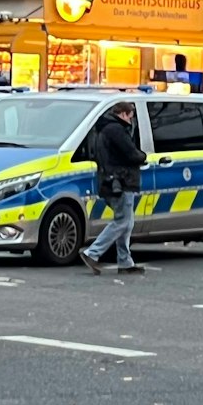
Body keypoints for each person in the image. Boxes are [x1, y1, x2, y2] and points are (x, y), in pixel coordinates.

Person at [79, 101, 147, 276]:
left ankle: (125, 262)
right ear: (123, 114)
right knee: (122, 221)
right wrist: (143, 156)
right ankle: (92, 253)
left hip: (111, 180)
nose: (131, 120)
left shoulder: (106, 128)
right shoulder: (116, 130)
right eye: (130, 116)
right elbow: (131, 153)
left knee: (126, 222)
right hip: (121, 180)